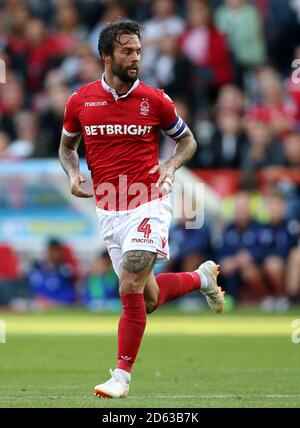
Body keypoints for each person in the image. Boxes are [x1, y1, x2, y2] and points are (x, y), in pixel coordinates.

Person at [58, 20, 224, 399]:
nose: (136, 59)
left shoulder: (156, 100)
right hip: (108, 210)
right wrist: (72, 173)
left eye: (138, 51)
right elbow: (67, 148)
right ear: (106, 56)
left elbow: (187, 141)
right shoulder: (80, 101)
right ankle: (201, 279)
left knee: (129, 282)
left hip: (147, 202)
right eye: (127, 51)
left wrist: (170, 166)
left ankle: (121, 376)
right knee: (145, 299)